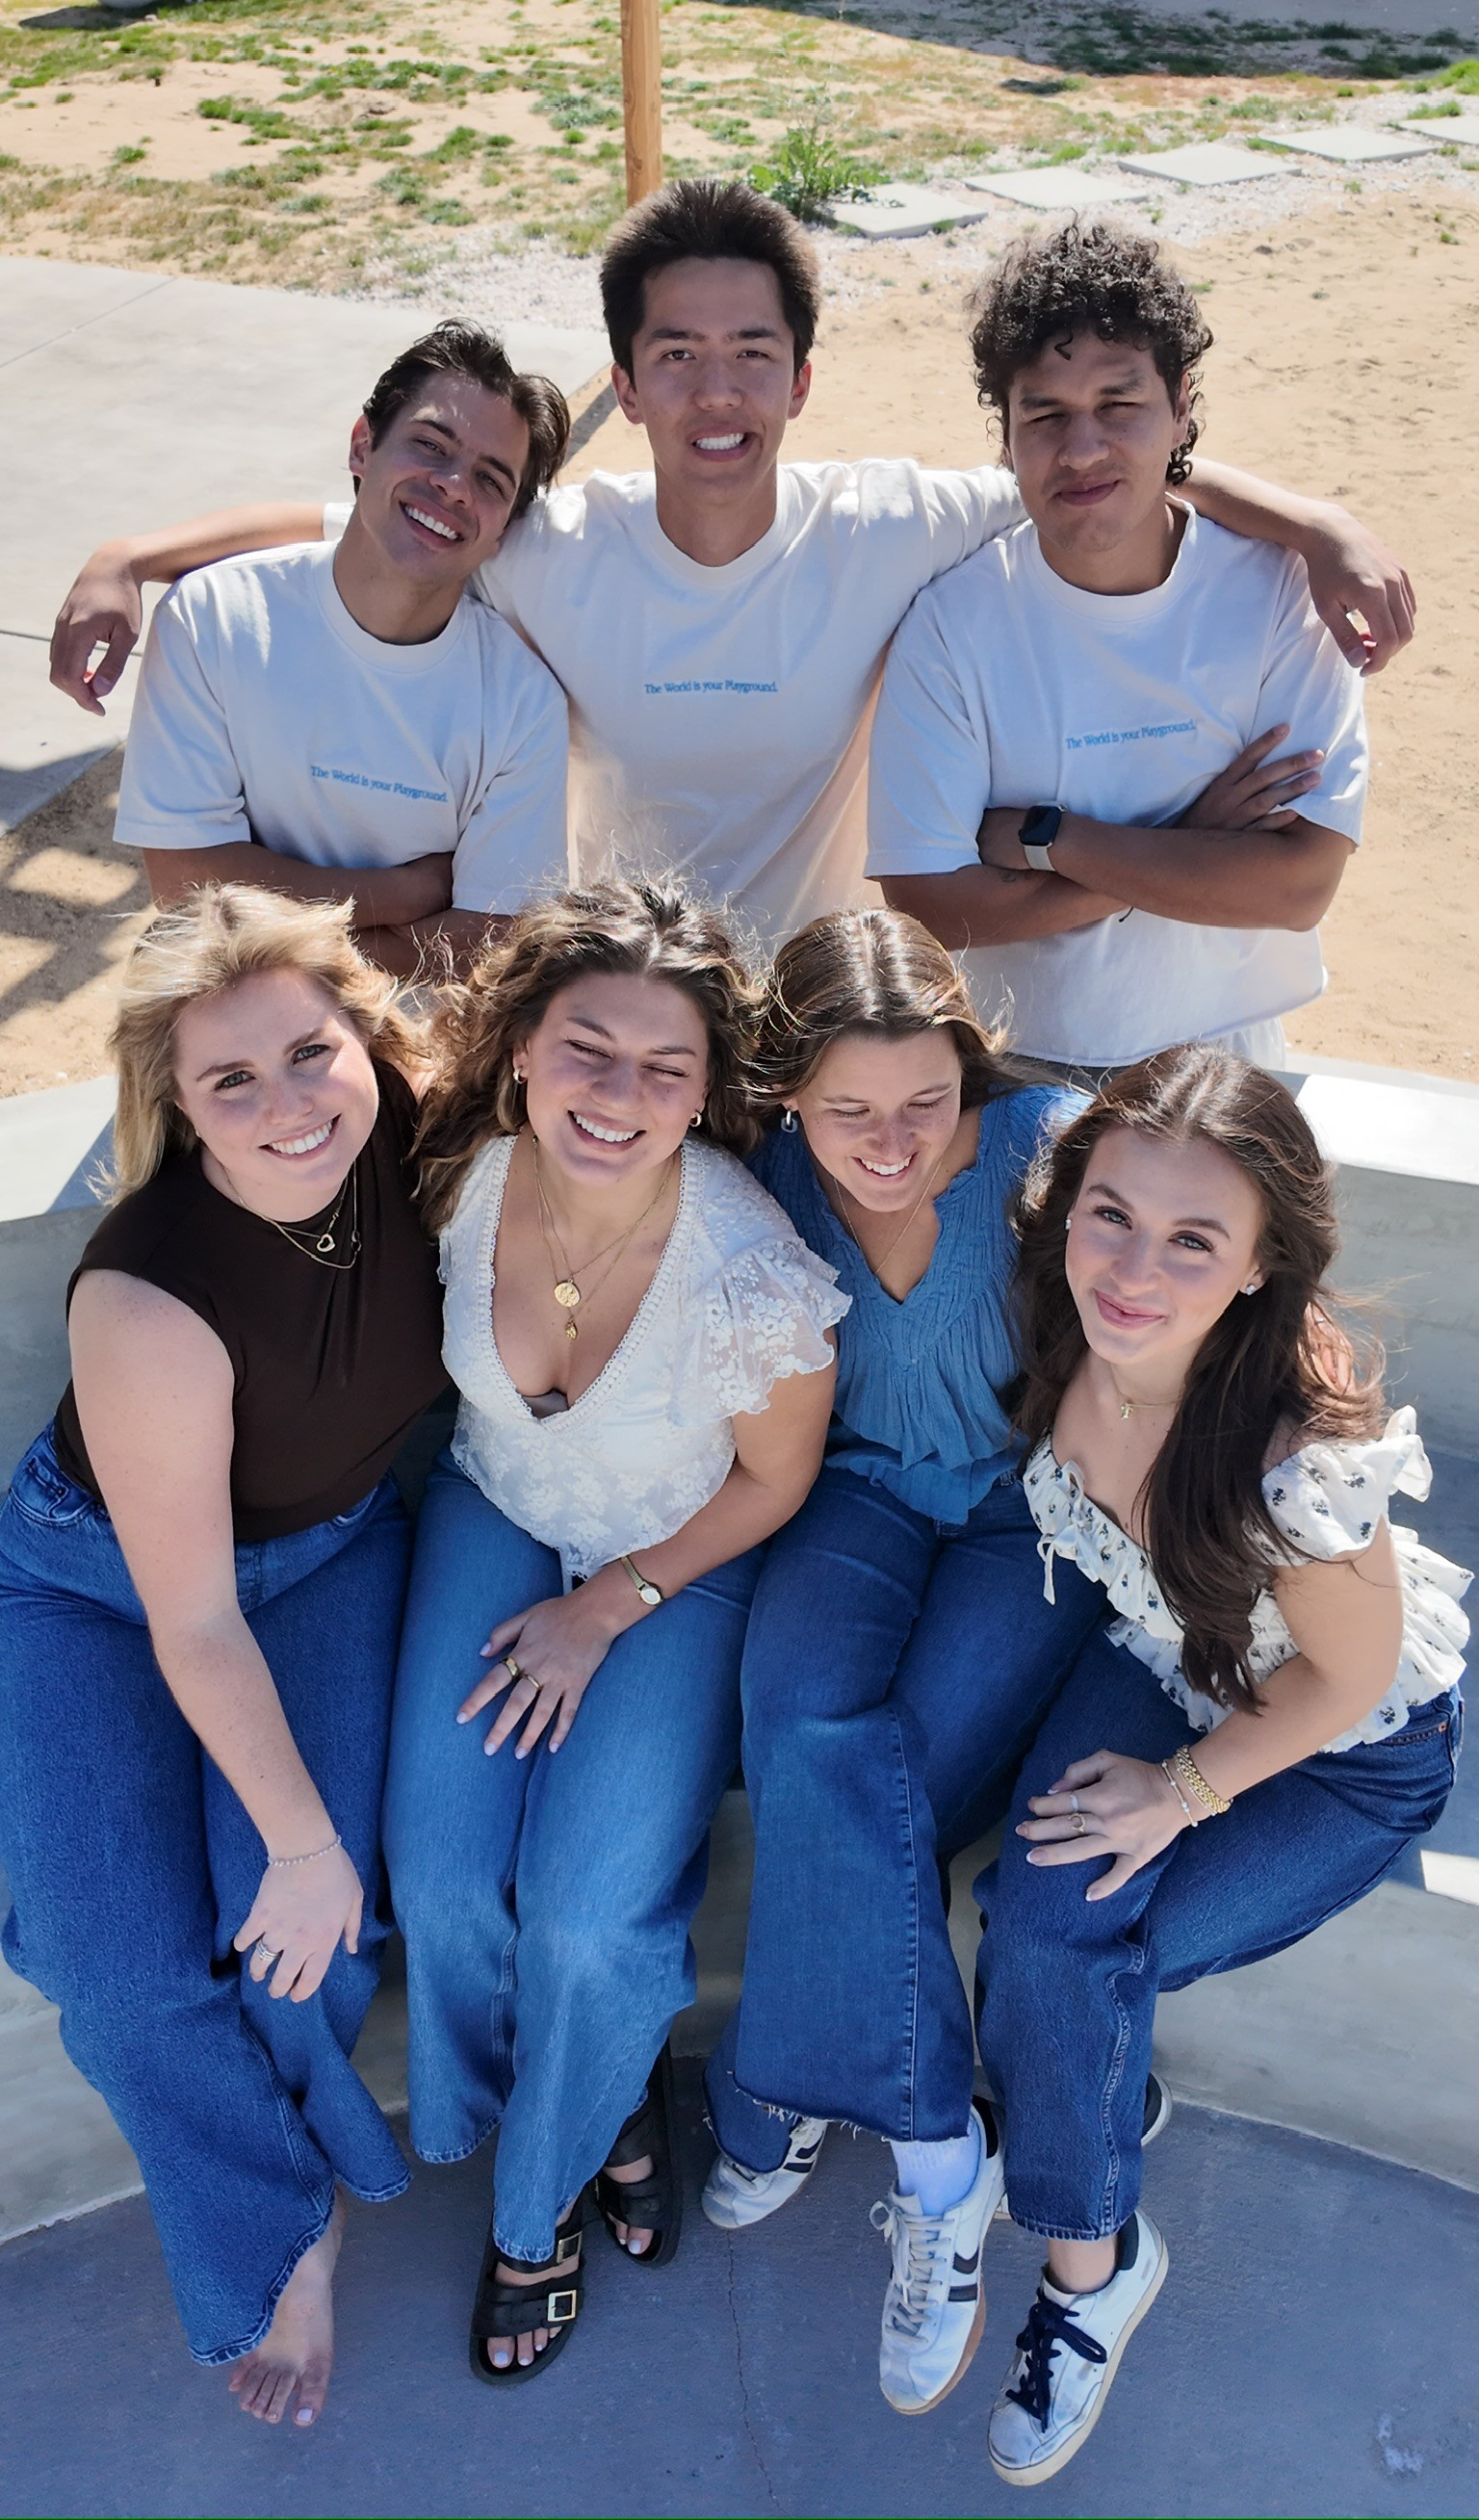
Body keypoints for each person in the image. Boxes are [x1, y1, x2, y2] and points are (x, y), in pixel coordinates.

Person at [52, 186, 1413, 954]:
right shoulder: (554, 549)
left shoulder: (888, 522)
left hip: (823, 995)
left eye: (753, 352)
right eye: (677, 356)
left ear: (804, 378)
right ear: (628, 389)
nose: (719, 391)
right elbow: (368, 520)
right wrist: (132, 557)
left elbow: (1089, 460)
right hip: (619, 992)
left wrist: (1315, 526)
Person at [973, 1044, 1466, 2485]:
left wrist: (1181, 1791)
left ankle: (1089, 2271)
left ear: (1259, 1266)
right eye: (1111, 1213)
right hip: (1164, 1659)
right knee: (1040, 1921)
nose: (1135, 1267)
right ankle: (1096, 2107)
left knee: (1075, 1959)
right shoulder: (1073, 1328)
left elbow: (1353, 1677)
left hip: (1341, 1752)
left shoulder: (1295, 1461)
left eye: (1196, 1240)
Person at [380, 878, 848, 2382]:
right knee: (446, 1875)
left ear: (710, 1093)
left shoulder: (751, 1268)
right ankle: (596, 2093)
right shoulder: (455, 1167)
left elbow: (774, 1481)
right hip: (496, 1504)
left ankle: (535, 2206)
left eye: (668, 1068)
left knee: (587, 1915)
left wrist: (608, 1603)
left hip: (678, 1554)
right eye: (589, 1047)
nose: (620, 1095)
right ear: (519, 1045)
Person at [0, 887, 449, 2428]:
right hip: (94, 1587)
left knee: (300, 1947)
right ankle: (282, 2216)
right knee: (118, 1976)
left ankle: (290, 2172)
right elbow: (191, 1618)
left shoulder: (432, 1132)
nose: (288, 1107)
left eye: (311, 1053)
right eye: (230, 1083)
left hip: (325, 1550)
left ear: (369, 1040)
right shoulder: (147, 1291)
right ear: (179, 1108)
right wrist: (306, 1839)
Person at [698, 907, 1108, 2419]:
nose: (890, 1141)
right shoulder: (753, 1184)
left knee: (904, 1778)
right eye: (849, 1108)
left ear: (971, 1070)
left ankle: (777, 2076)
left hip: (1026, 1511)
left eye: (926, 1101)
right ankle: (944, 2161)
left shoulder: (1051, 1155)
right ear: (788, 1095)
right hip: (854, 1490)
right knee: (797, 1723)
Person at [869, 221, 1371, 1077]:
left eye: (1119, 405)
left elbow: (1296, 886)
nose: (1083, 448)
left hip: (1230, 1068)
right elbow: (931, 908)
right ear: (1006, 435)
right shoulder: (953, 626)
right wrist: (1194, 840)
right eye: (1046, 414)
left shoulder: (1283, 594)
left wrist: (1051, 841)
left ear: (1181, 406)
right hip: (1014, 1076)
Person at [95, 323, 571, 977]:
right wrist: (407, 893)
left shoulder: (523, 702)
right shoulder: (213, 619)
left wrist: (272, 936)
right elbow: (185, 880)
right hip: (236, 1046)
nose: (456, 486)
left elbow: (488, 938)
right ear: (362, 445)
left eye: (491, 481)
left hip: (412, 1053)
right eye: (431, 445)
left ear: (502, 535)